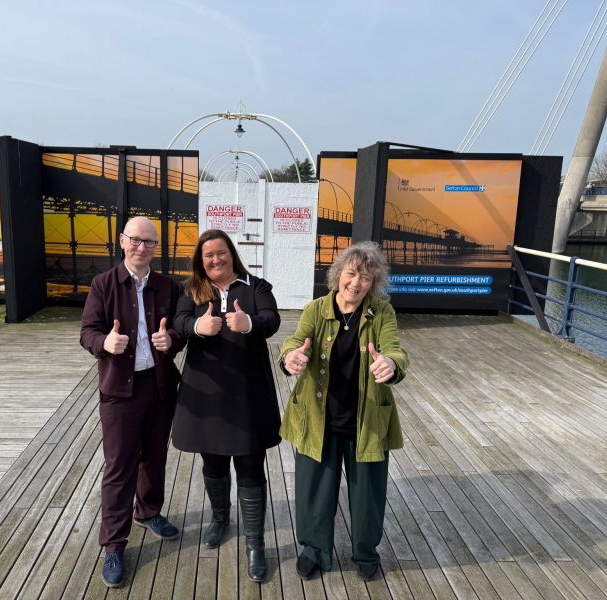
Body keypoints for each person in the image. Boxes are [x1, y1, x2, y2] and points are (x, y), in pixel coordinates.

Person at [278, 242, 408, 582]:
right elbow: (296, 340)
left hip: (367, 421)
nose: (356, 283)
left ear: (373, 283)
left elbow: (395, 349)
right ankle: (314, 549)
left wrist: (391, 363)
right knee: (314, 492)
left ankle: (366, 551)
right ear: (338, 275)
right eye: (351, 273)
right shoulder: (315, 309)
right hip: (318, 419)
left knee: (368, 495)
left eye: (366, 277)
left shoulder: (382, 313)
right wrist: (291, 356)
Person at [80, 216, 186, 588]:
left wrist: (171, 340)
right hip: (119, 390)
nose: (143, 248)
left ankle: (148, 512)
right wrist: (104, 343)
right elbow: (87, 332)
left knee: (154, 457)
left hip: (158, 385)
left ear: (157, 247)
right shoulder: (103, 284)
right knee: (119, 466)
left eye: (150, 242)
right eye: (136, 240)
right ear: (123, 241)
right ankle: (113, 543)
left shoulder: (168, 286)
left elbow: (180, 330)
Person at [173, 229, 281, 582]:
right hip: (206, 392)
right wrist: (196, 325)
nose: (215, 259)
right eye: (208, 255)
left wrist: (249, 322)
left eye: (221, 252)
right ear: (200, 260)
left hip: (248, 392)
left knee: (250, 467)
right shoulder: (192, 289)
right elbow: (179, 322)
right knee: (213, 461)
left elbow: (272, 319)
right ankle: (220, 518)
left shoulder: (255, 286)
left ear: (232, 254)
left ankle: (255, 543)